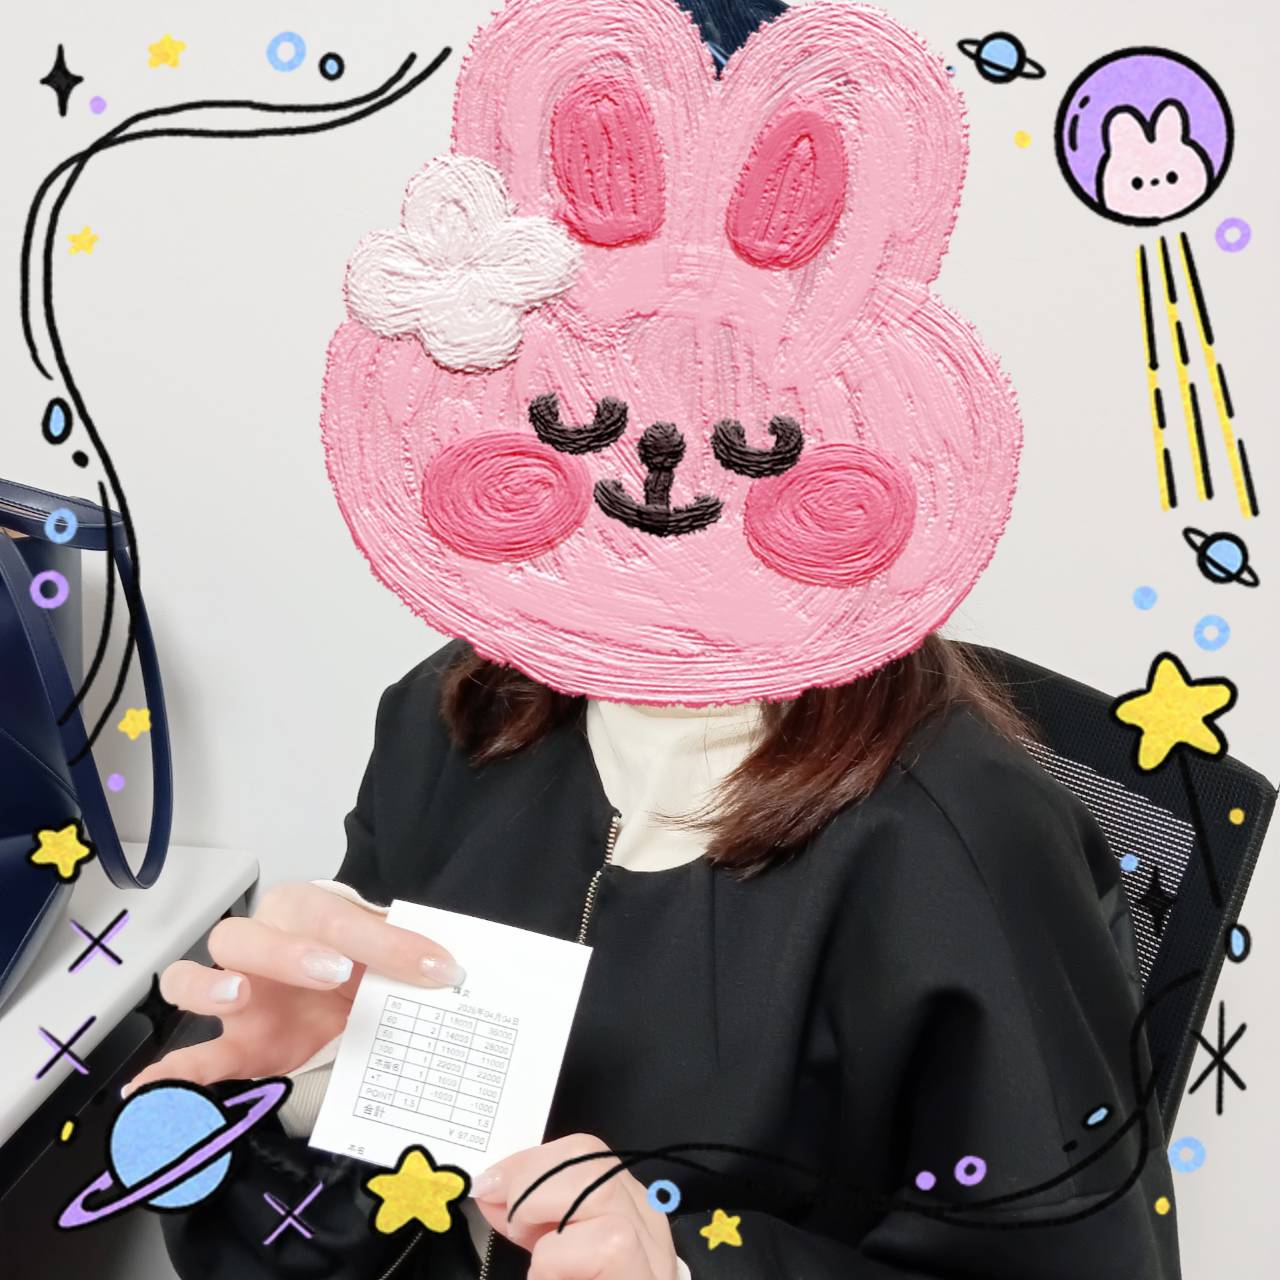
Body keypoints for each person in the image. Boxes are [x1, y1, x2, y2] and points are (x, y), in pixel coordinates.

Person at [131, 1, 1181, 1277]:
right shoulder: (449, 715)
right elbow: (365, 1207)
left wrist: (682, 1263)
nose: (660, 460)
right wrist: (269, 1096)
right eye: (589, 409)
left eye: (744, 428)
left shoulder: (962, 836)